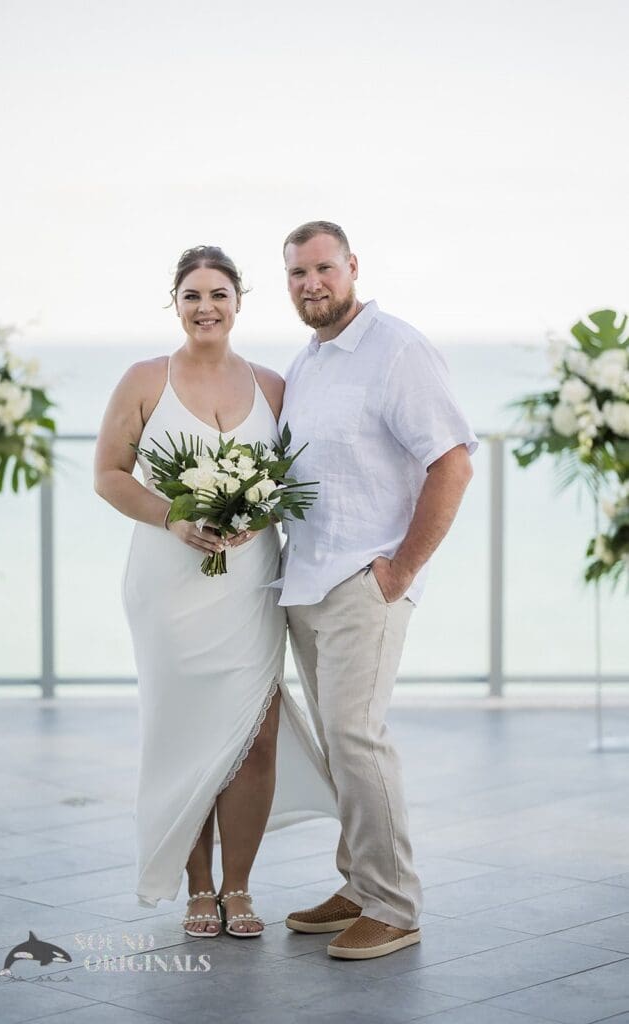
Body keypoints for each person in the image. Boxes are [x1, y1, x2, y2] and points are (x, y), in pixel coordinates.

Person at [93, 245, 336, 938]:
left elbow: (293, 478)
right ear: (175, 303)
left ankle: (238, 887)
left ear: (238, 302)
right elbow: (110, 474)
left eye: (218, 295)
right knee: (183, 737)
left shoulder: (272, 385)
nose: (206, 307)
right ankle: (197, 886)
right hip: (167, 587)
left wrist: (256, 515)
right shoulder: (144, 379)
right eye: (193, 295)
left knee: (254, 738)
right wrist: (173, 515)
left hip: (250, 583)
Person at [277, 220, 478, 960]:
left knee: (358, 739)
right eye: (297, 274)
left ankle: (394, 904)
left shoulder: (396, 348)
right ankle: (360, 884)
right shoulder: (307, 361)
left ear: (352, 267)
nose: (311, 284)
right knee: (339, 743)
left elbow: (451, 462)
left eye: (323, 269)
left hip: (365, 578)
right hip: (305, 580)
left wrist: (398, 570)